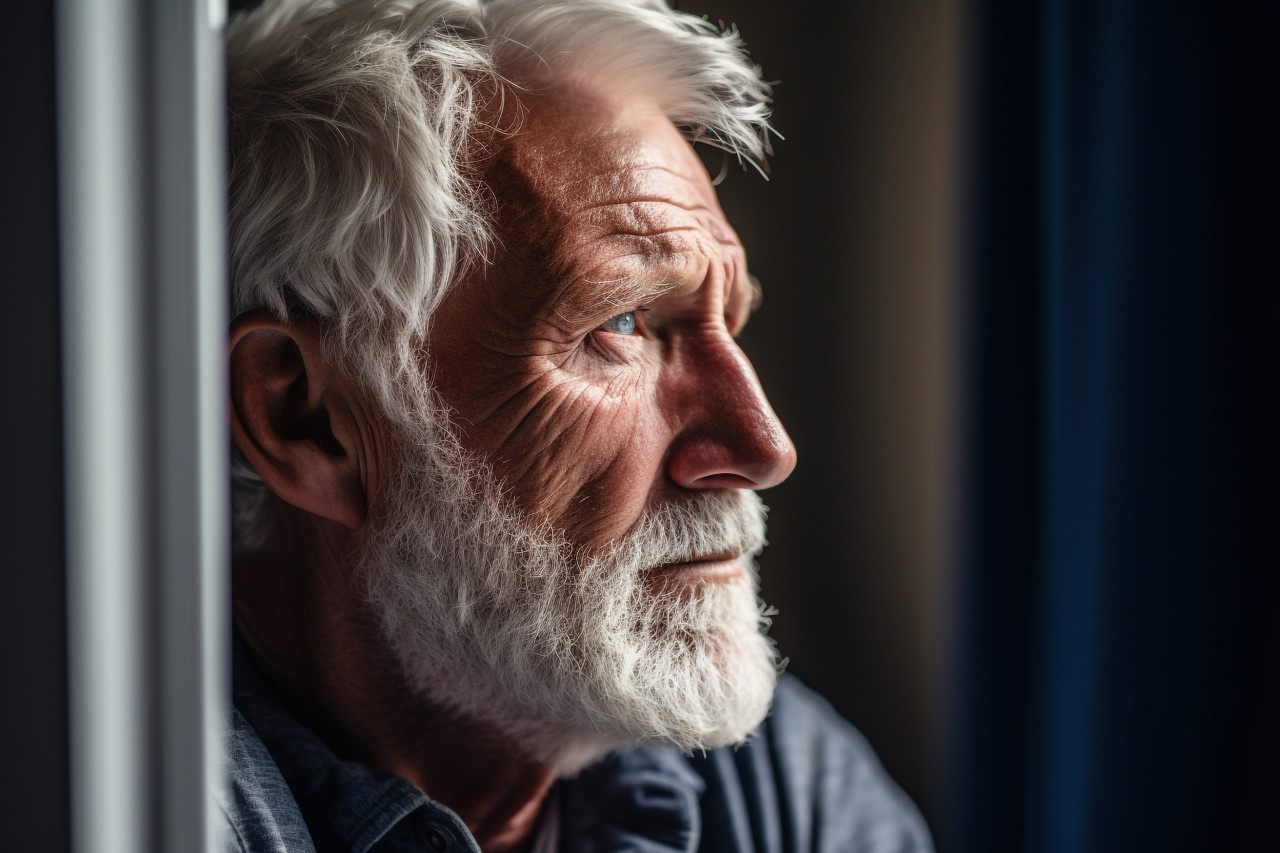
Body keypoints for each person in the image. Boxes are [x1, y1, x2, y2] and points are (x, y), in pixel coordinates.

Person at [221, 0, 934, 850]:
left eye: (728, 322)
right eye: (622, 323)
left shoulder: (782, 780)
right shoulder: (127, 793)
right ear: (309, 418)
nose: (762, 447)